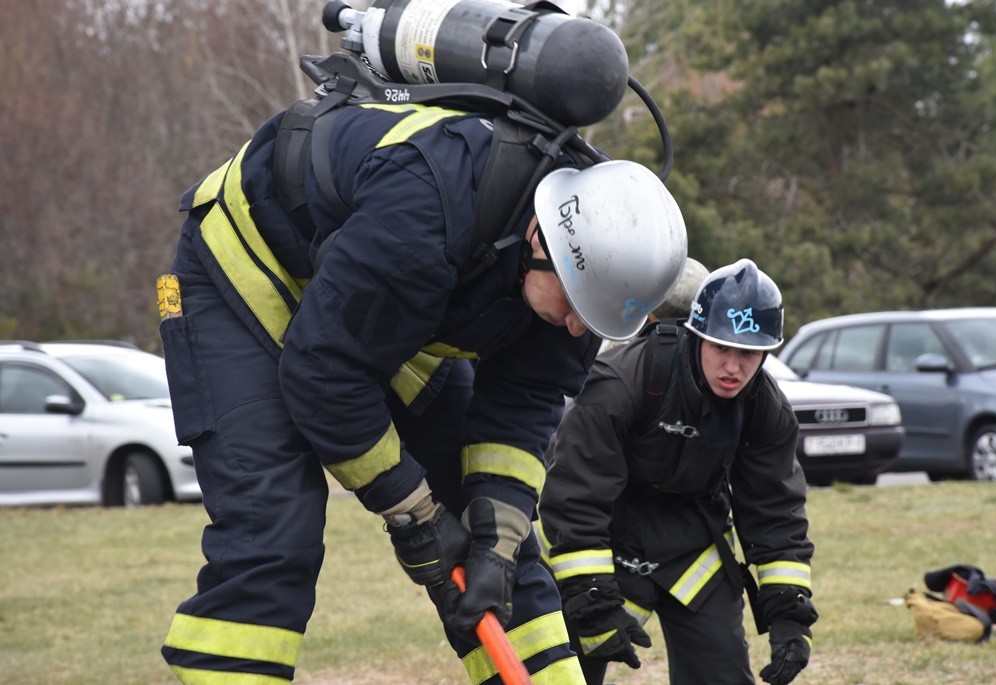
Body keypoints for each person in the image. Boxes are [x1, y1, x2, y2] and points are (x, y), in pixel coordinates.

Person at [155, 45, 688, 685]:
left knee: (503, 552)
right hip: (244, 277)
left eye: (596, 320)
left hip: (377, 316)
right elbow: (326, 378)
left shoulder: (584, 280)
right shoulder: (428, 209)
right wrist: (418, 515)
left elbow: (520, 413)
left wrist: (494, 540)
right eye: (577, 308)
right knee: (275, 530)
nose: (579, 329)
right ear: (539, 240)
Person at [537, 258, 817, 685]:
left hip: (694, 548)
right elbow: (575, 495)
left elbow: (774, 508)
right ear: (696, 334)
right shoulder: (620, 383)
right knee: (565, 672)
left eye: (749, 354)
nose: (733, 368)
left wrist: (790, 614)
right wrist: (590, 598)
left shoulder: (766, 408)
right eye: (722, 348)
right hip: (608, 536)